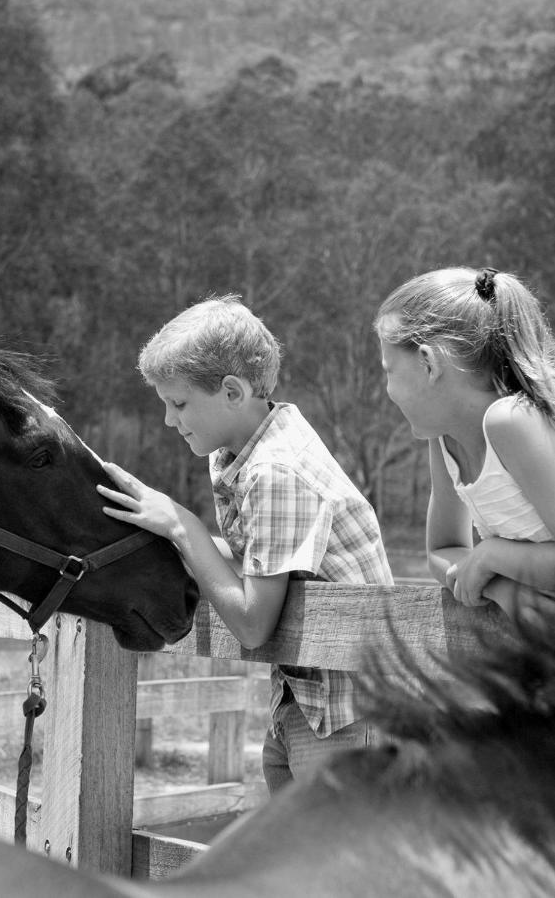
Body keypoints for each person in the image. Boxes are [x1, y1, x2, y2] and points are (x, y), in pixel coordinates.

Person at [97, 295, 393, 792]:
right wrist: (165, 538)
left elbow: (253, 625)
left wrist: (184, 528)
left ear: (232, 391)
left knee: (331, 867)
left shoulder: (275, 470)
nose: (171, 421)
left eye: (179, 403)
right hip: (307, 701)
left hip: (349, 715)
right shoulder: (252, 445)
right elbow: (265, 558)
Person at [374, 266, 555, 616]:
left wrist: (492, 556)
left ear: (428, 364)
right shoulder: (445, 439)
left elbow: (472, 556)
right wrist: (501, 584)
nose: (387, 391)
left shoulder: (511, 421)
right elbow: (442, 550)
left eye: (388, 371)